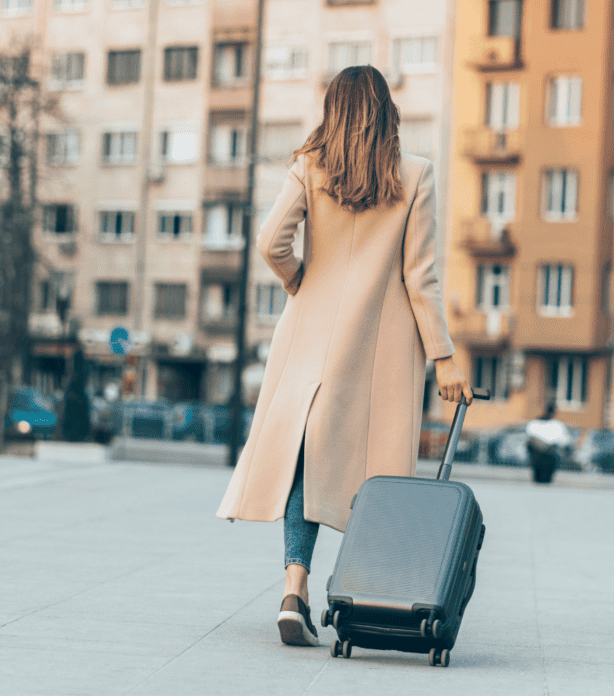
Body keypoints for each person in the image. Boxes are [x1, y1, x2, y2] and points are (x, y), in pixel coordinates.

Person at [215, 66, 472, 647]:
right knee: (375, 475)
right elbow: (420, 278)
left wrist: (299, 279)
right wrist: (446, 359)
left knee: (306, 461)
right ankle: (373, 592)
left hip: (311, 336)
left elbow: (269, 240)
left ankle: (294, 588)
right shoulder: (416, 175)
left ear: (334, 114)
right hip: (380, 350)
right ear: (388, 114)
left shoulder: (310, 167)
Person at [526, 402, 574, 484]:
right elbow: (565, 442)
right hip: (549, 457)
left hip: (537, 457)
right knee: (546, 481)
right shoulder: (557, 425)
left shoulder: (533, 424)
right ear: (554, 413)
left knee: (537, 481)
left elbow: (528, 442)